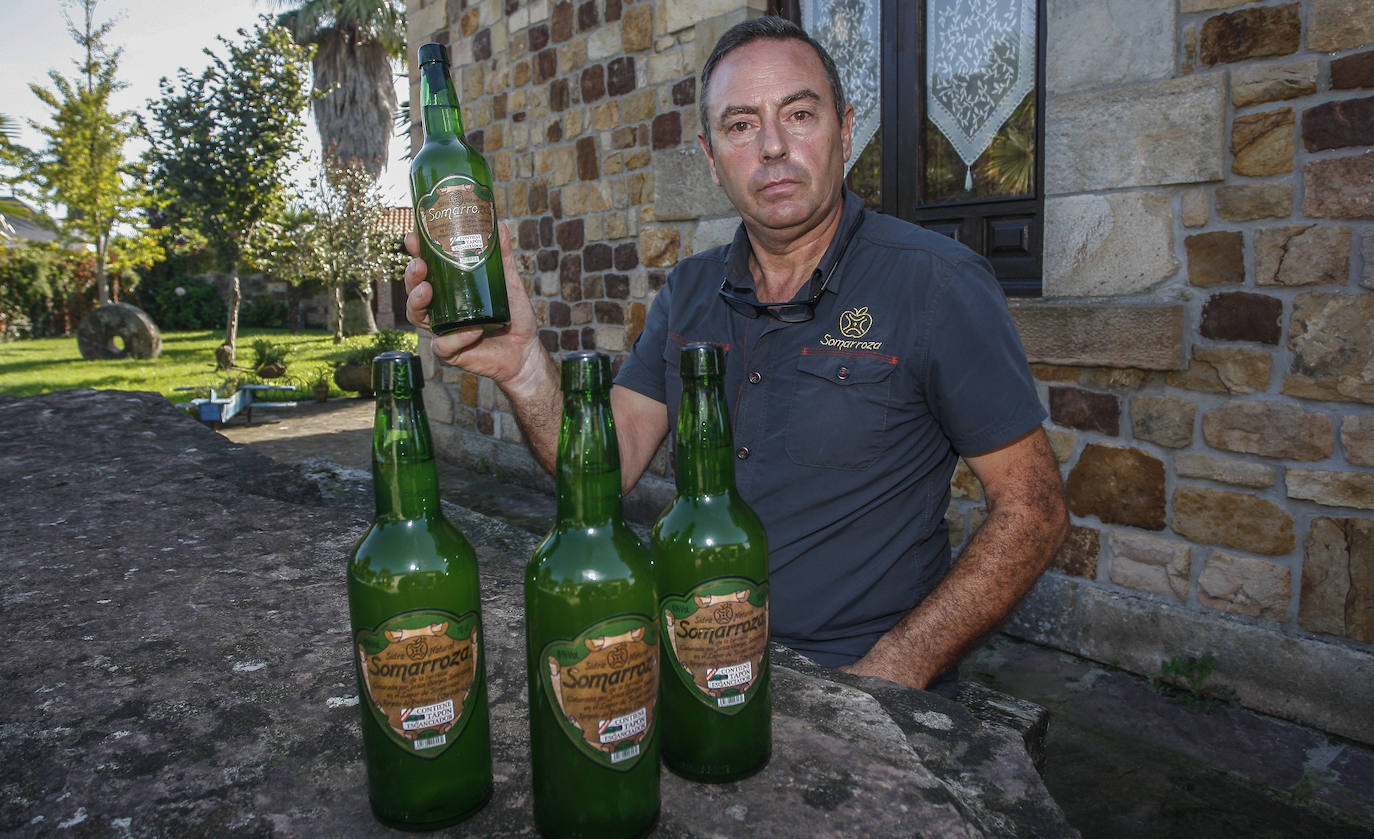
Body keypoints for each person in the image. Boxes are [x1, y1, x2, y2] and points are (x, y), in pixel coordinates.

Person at [403, 16, 1068, 696]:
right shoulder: (689, 292)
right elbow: (605, 467)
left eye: (799, 113)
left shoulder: (936, 284)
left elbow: (1032, 511)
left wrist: (887, 679)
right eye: (741, 125)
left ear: (845, 130)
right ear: (711, 156)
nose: (773, 147)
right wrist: (522, 365)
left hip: (853, 681)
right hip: (687, 672)